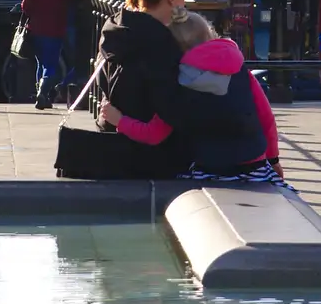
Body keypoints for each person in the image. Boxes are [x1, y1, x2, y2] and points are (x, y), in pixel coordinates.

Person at [99, 11, 285, 183]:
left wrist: (119, 120)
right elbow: (266, 119)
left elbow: (154, 134)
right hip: (255, 163)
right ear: (209, 35)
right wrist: (273, 159)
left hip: (210, 169)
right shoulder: (241, 71)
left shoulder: (178, 84)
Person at [55, 0, 191, 179]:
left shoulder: (116, 29)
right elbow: (169, 113)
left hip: (113, 152)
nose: (184, 1)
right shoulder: (159, 44)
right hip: (149, 164)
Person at [20, 0, 72, 110]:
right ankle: (43, 93)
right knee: (51, 65)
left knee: (40, 63)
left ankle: (41, 96)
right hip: (55, 30)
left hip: (35, 30)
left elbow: (25, 6)